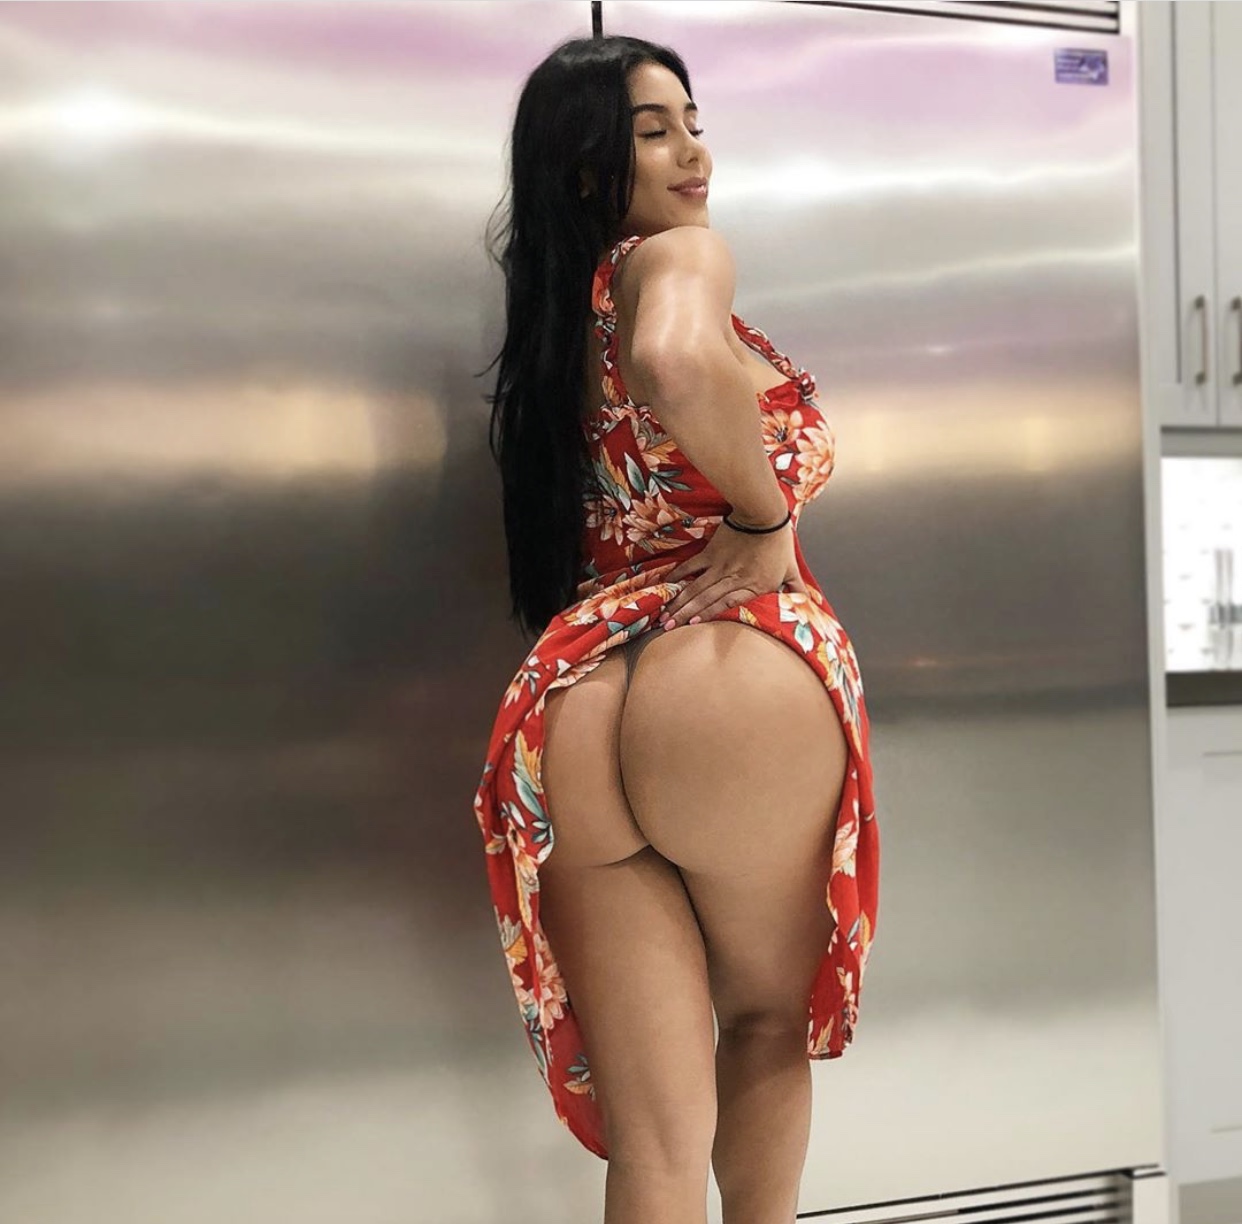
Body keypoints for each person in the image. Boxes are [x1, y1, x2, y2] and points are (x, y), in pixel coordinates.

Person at [473, 32, 879, 1224]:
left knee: (652, 1151)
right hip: (726, 678)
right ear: (590, 167)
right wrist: (762, 515)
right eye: (653, 132)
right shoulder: (678, 259)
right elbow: (677, 357)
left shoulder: (562, 318)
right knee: (760, 1026)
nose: (693, 152)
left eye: (694, 123)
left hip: (575, 701)